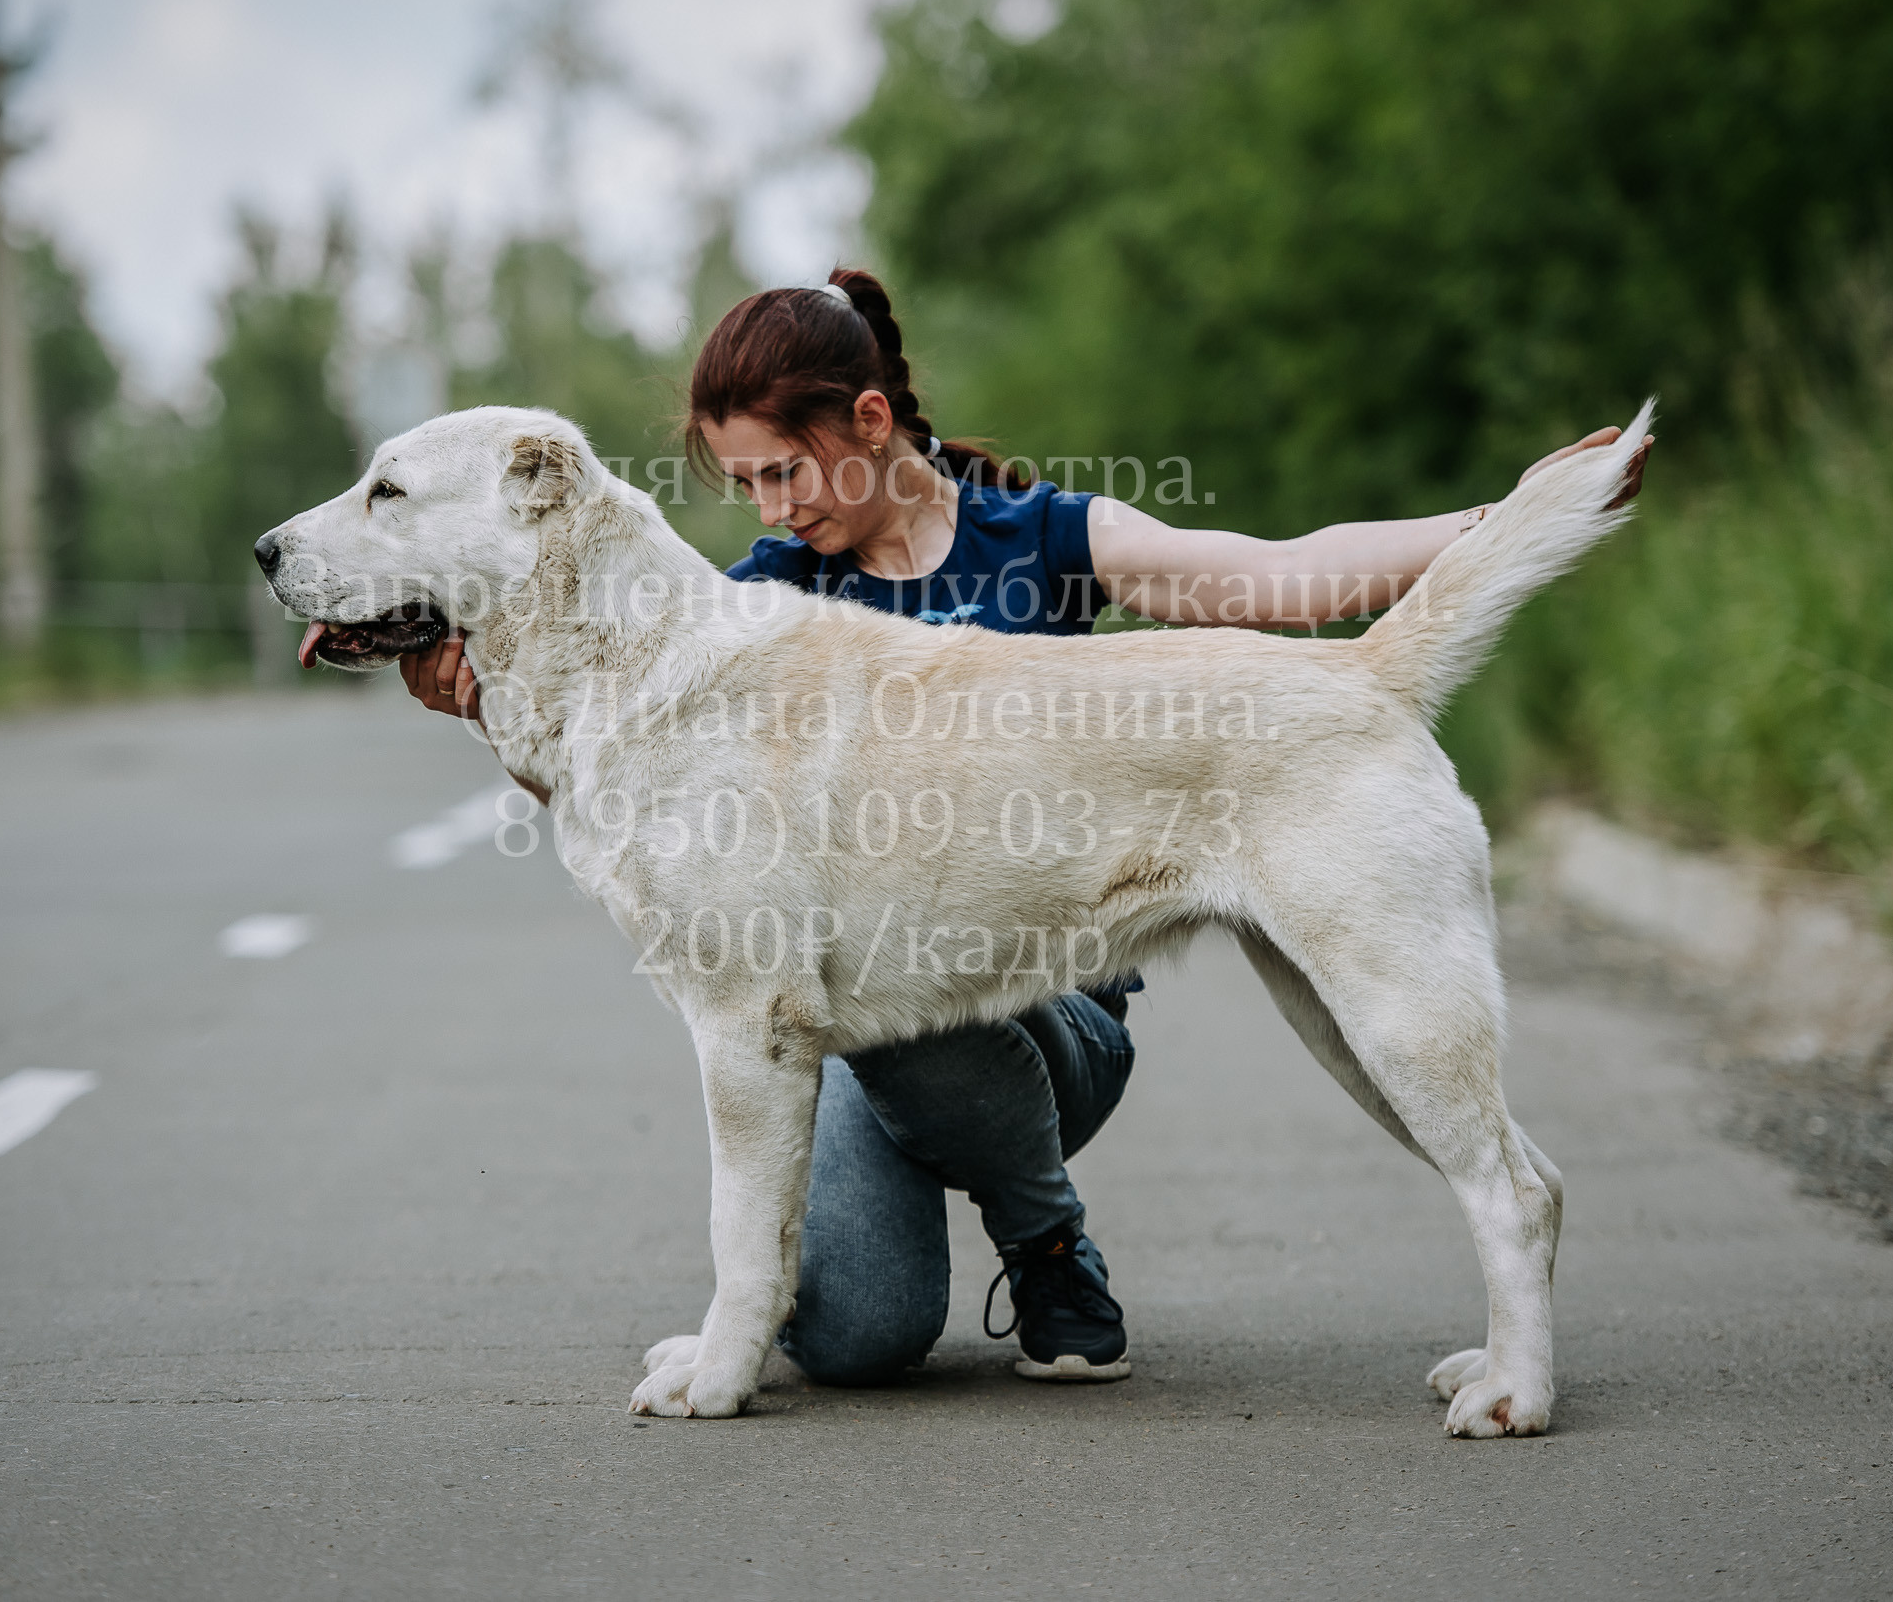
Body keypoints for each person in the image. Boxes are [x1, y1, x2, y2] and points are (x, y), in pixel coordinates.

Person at [401, 268, 1646, 1388]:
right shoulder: (763, 603)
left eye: (784, 471)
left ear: (871, 423)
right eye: (743, 485)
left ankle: (1070, 1243)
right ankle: (873, 1274)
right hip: (887, 1042)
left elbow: (1278, 576)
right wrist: (495, 704)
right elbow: (660, 793)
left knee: (1403, 1062)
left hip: (1061, 1012)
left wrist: (1495, 525)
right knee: (853, 1337)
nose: (769, 510)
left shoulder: (1041, 535)